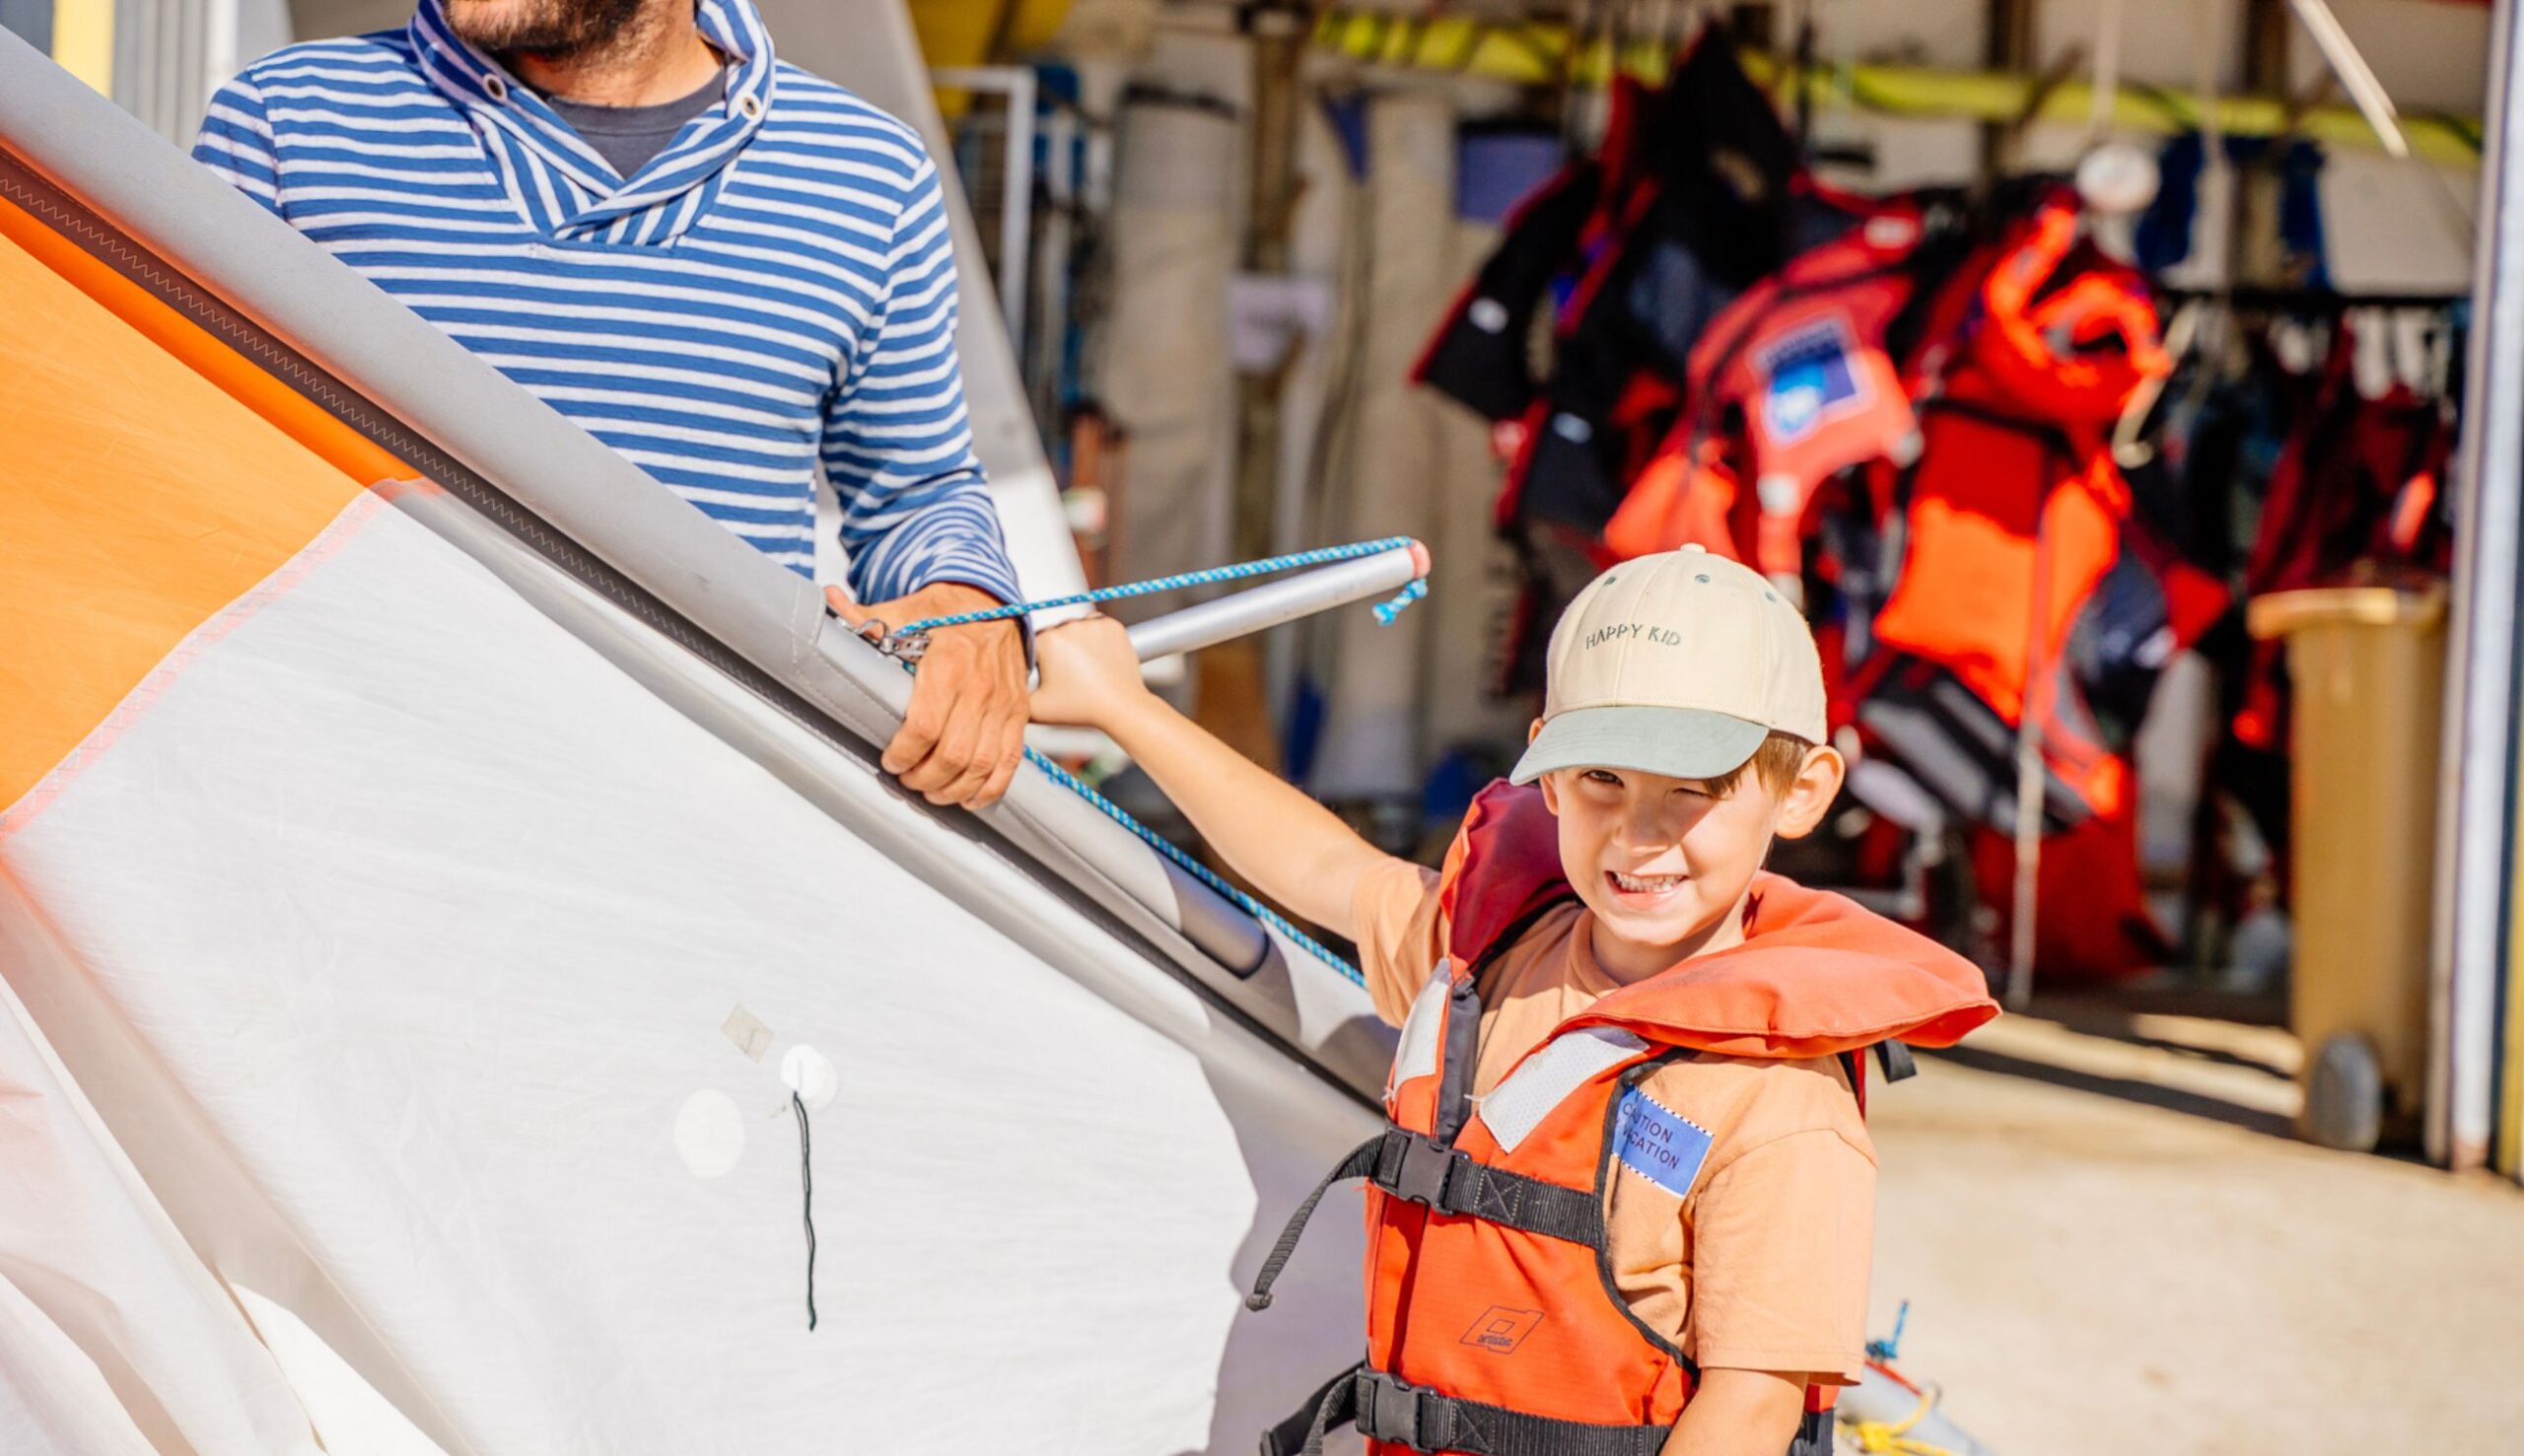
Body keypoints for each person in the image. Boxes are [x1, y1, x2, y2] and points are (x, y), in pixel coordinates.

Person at [1030, 545, 1998, 1455]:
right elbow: (1326, 866)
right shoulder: (1496, 957)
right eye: (1601, 779)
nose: (1638, 834)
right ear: (1546, 766)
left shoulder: (1781, 1106)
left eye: (1693, 789)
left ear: (1801, 791)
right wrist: (1123, 708)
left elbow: (1750, 1407)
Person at [192, 0, 1028, 807]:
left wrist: (966, 602)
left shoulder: (870, 174)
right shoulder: (286, 121)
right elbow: (178, 465)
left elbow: (915, 490)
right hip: (355, 803)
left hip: (719, 830)